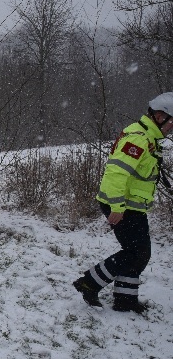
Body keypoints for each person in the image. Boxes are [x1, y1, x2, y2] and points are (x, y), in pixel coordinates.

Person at [73, 92, 173, 314]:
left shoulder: (149, 139)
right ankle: (89, 283)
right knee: (136, 252)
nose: (171, 128)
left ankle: (125, 300)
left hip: (133, 205)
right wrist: (117, 207)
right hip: (121, 205)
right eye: (171, 122)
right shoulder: (138, 138)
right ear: (159, 116)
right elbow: (116, 173)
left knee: (138, 252)